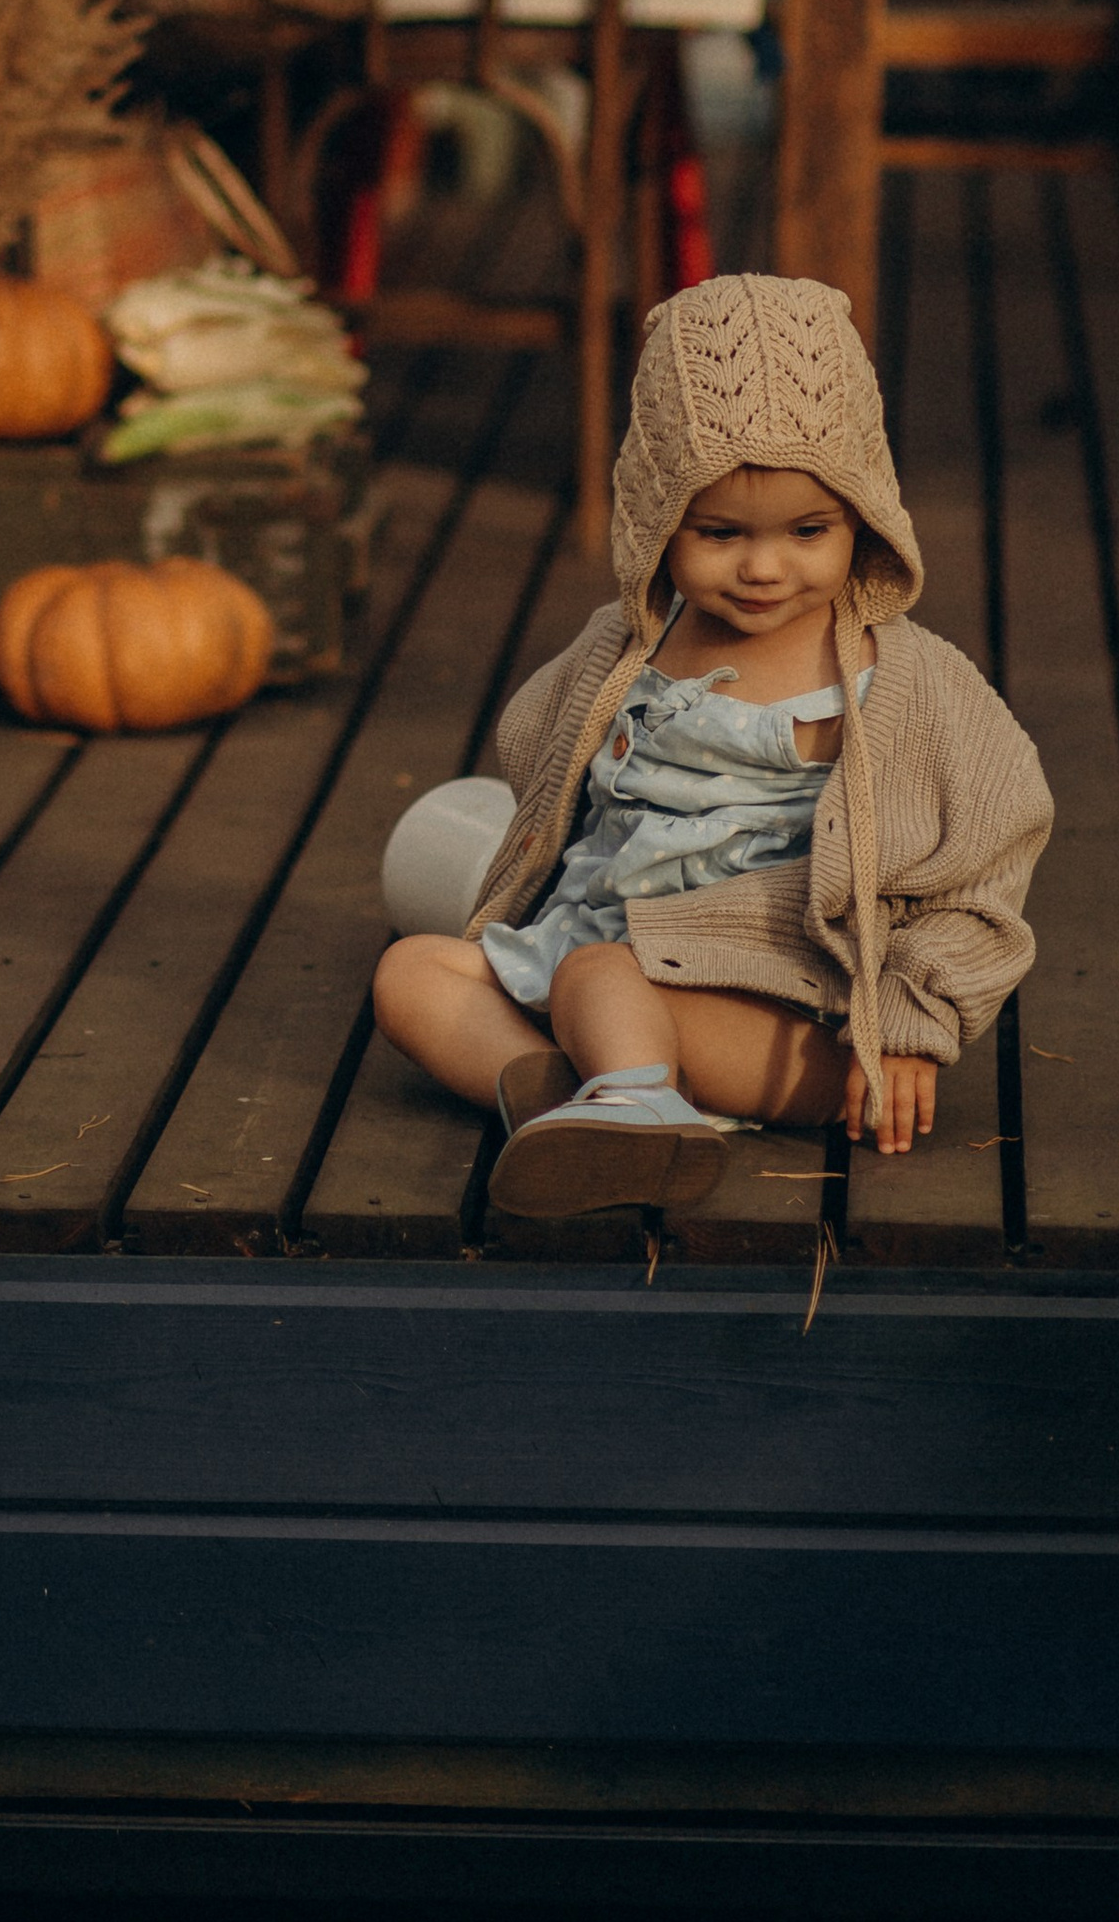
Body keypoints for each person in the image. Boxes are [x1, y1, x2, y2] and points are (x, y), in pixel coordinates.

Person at [372, 269, 1052, 1217]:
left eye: (809, 530)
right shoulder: (626, 646)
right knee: (411, 974)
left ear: (863, 512)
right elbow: (542, 750)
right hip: (594, 960)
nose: (765, 566)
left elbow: (986, 865)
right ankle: (594, 1104)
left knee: (598, 973)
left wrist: (906, 1025)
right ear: (658, 517)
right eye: (721, 531)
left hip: (789, 1022)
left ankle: (632, 1097)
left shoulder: (905, 682)